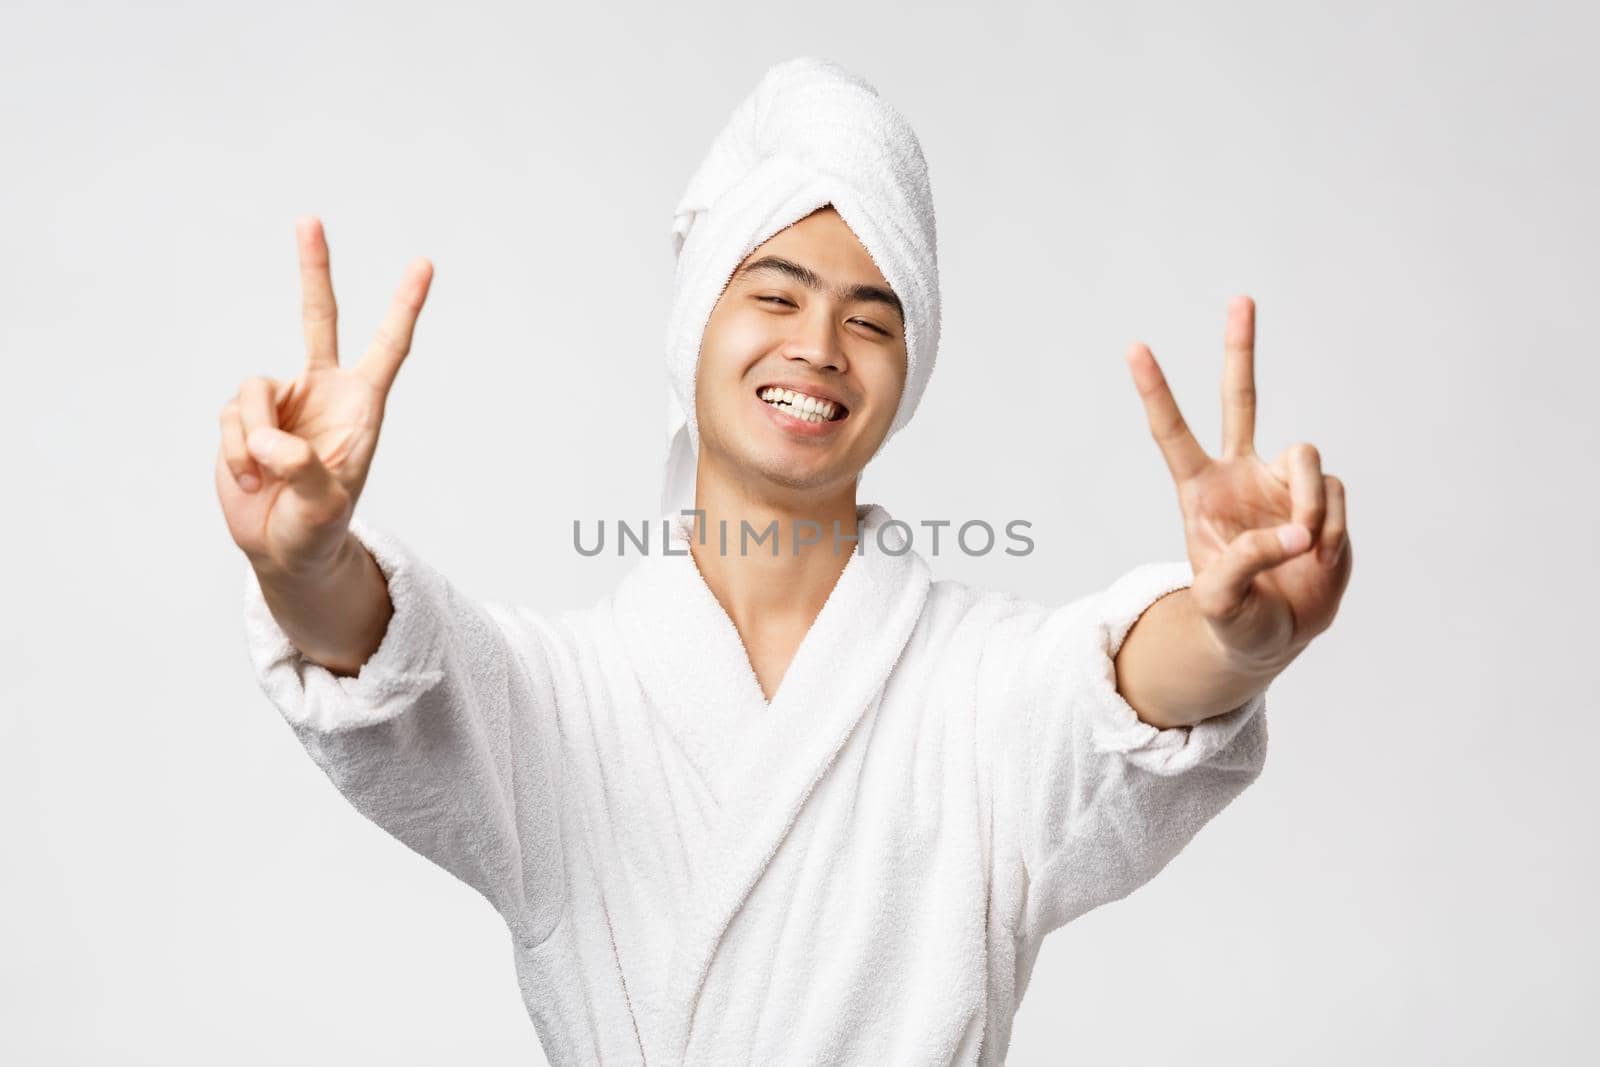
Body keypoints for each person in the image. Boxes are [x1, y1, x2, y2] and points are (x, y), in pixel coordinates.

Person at [216, 58, 1351, 1066]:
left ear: (907, 373)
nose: (816, 347)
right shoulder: (561, 700)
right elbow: (387, 664)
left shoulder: (972, 688)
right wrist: (305, 558)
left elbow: (1114, 697)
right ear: (693, 331)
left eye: (872, 318)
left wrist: (1228, 638)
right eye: (772, 294)